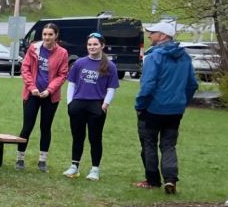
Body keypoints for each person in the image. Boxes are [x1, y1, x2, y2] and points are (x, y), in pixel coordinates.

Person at [134, 19, 197, 193]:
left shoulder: (154, 56)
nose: (149, 36)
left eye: (152, 33)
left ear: (162, 36)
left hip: (153, 108)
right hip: (175, 110)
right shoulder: (184, 56)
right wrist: (182, 100)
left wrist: (140, 105)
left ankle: (152, 180)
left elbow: (148, 85)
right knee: (169, 145)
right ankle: (170, 179)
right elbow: (192, 84)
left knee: (149, 143)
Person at [63, 33, 120, 181]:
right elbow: (71, 83)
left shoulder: (110, 66)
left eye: (95, 44)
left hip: (97, 105)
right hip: (78, 104)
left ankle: (95, 169)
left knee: (95, 138)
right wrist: (70, 103)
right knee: (78, 137)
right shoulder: (80, 63)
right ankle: (74, 166)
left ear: (102, 45)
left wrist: (105, 105)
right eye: (89, 44)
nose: (92, 47)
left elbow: (111, 88)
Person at [16, 23, 69, 172]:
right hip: (31, 94)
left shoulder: (63, 53)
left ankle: (42, 161)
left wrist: (49, 90)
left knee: (45, 128)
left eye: (50, 34)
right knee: (27, 126)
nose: (47, 37)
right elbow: (25, 68)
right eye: (45, 34)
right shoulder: (34, 48)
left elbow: (62, 74)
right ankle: (20, 158)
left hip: (50, 97)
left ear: (56, 36)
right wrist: (32, 87)